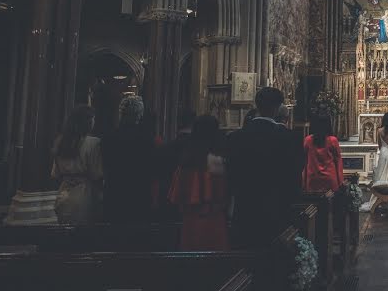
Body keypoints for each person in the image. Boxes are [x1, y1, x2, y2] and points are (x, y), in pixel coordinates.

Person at [227, 87, 300, 248]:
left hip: (244, 211)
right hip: (276, 211)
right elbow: (294, 176)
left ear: (257, 105)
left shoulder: (235, 138)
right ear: (278, 107)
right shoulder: (287, 137)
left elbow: (230, 177)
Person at [167, 115, 229, 250]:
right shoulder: (215, 159)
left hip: (190, 220)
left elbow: (178, 195)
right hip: (213, 219)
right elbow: (221, 195)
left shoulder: (187, 158)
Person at [102, 95, 155, 223]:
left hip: (114, 193)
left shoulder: (108, 138)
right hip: (138, 195)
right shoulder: (146, 139)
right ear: (139, 115)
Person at [52, 105, 103, 224]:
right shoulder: (93, 143)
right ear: (88, 121)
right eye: (93, 118)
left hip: (63, 194)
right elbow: (96, 174)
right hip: (85, 195)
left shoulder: (60, 141)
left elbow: (55, 174)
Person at [360, 112, 388, 211]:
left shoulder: (379, 131)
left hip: (383, 152)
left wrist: (384, 150)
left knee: (381, 173)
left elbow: (379, 145)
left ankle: (381, 195)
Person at [303, 114, 344, 193]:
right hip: (329, 179)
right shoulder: (332, 140)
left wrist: (304, 181)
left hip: (313, 178)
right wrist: (340, 182)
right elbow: (338, 162)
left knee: (313, 203)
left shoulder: (307, 140)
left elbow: (304, 162)